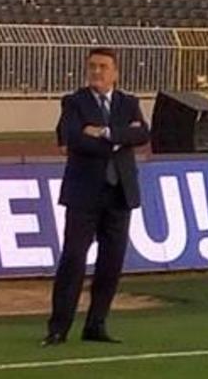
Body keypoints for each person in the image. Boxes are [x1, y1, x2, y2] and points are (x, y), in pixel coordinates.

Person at [43, 48, 150, 345]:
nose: (97, 72)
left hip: (119, 191)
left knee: (111, 262)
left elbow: (142, 134)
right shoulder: (74, 102)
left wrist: (105, 133)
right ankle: (58, 327)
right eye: (92, 66)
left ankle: (96, 323)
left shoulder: (128, 103)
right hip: (84, 194)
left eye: (103, 66)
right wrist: (119, 138)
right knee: (74, 259)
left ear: (115, 72)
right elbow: (73, 139)